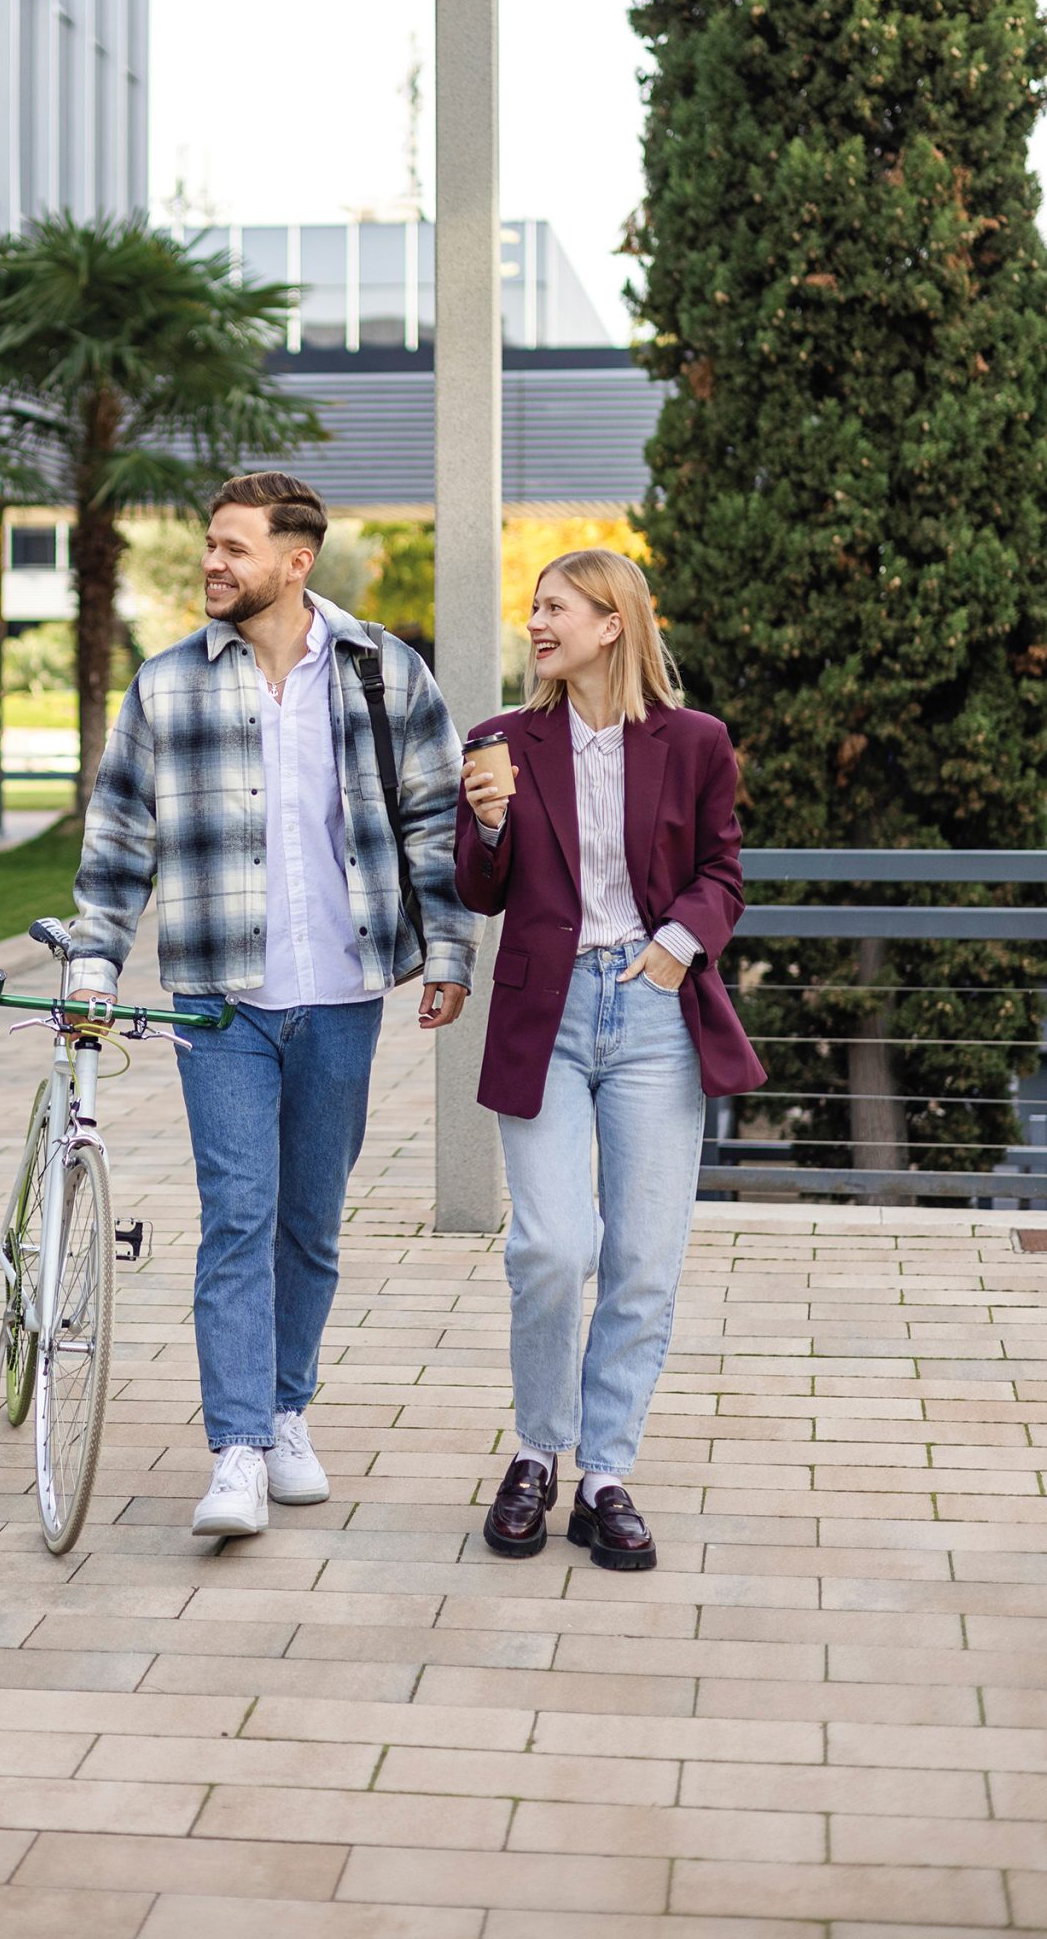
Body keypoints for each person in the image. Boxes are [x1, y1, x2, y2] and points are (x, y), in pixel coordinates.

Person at [67, 472, 477, 1538]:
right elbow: (118, 839)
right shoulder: (167, 684)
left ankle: (289, 1409)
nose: (212, 563)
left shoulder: (385, 671)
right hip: (220, 1000)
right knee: (237, 1216)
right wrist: (95, 961)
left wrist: (449, 949)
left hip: (343, 994)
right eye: (210, 544)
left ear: (297, 563)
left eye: (234, 548)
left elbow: (434, 819)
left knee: (310, 1223)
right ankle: (238, 1448)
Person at [454, 547, 763, 1573]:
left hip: (653, 1008)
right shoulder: (502, 739)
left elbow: (722, 871)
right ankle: (536, 1451)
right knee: (550, 1246)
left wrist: (676, 946)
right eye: (534, 607)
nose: (536, 623)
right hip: (543, 1014)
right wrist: (488, 821)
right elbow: (479, 889)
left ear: (611, 623)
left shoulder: (695, 740)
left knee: (642, 1257)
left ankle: (603, 1476)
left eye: (556, 607)